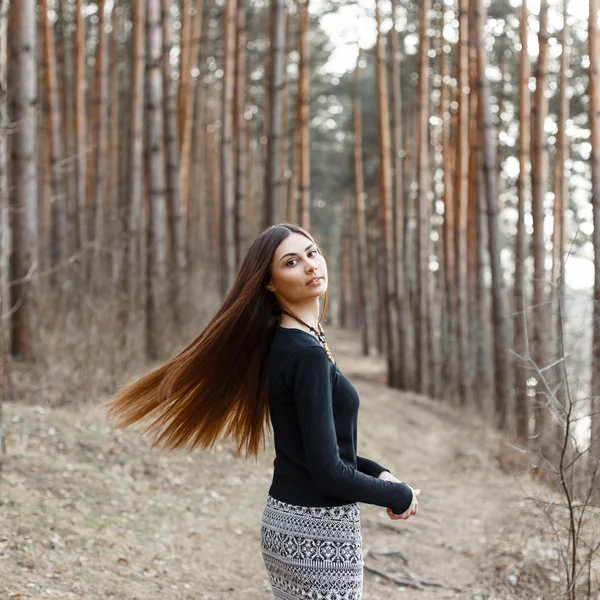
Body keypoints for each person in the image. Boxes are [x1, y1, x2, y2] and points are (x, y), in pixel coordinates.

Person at [103, 223, 420, 600]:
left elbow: (311, 449)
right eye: (291, 262)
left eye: (312, 253)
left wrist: (378, 472)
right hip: (317, 532)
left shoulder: (292, 343)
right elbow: (327, 472)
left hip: (287, 522)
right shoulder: (306, 355)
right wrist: (397, 496)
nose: (309, 266)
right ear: (269, 282)